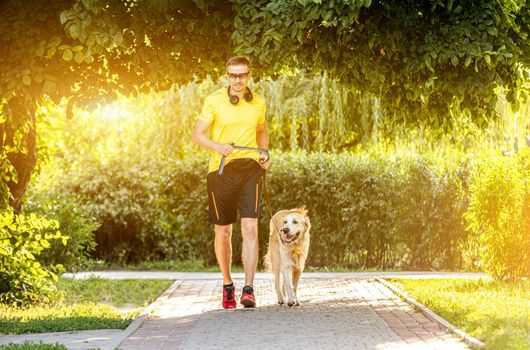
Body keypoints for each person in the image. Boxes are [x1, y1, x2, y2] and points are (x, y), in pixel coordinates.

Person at [192, 56, 271, 309]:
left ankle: (248, 289)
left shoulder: (258, 102)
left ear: (249, 75)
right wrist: (218, 146)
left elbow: (261, 130)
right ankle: (228, 285)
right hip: (221, 171)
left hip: (250, 170)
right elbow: (197, 134)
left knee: (250, 228)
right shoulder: (214, 100)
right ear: (227, 76)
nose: (238, 80)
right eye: (233, 75)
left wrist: (264, 152)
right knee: (223, 231)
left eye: (242, 75)